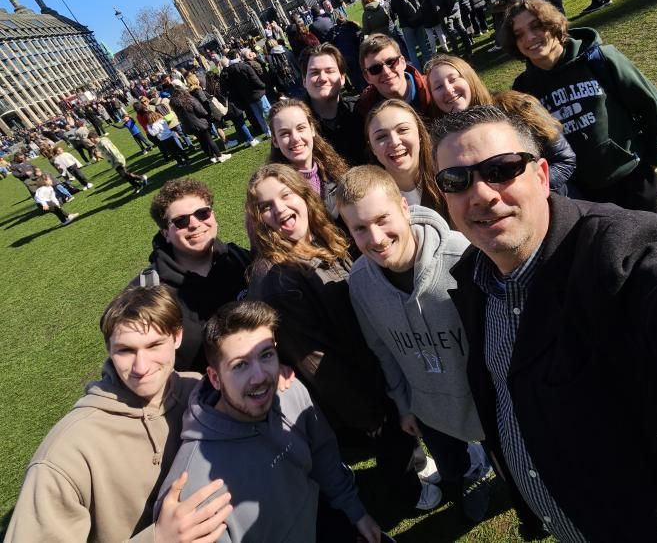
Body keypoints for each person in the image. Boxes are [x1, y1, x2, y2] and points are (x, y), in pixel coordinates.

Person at [430, 104, 657, 543]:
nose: (481, 194)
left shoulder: (619, 251)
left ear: (542, 175)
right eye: (457, 180)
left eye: (502, 169)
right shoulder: (474, 277)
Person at [245, 164, 441, 512]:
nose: (279, 211)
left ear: (304, 195)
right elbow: (315, 359)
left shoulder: (317, 238)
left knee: (402, 430)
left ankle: (416, 461)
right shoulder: (277, 278)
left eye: (285, 195)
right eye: (265, 206)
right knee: (389, 438)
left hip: (373, 360)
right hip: (355, 386)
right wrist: (368, 411)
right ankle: (409, 492)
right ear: (257, 218)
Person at [6, 285, 232, 542]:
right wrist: (157, 539)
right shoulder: (65, 455)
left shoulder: (197, 390)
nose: (141, 367)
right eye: (126, 350)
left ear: (177, 337)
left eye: (154, 345)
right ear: (110, 350)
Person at [155, 300, 383, 543]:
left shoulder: (290, 391)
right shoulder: (194, 487)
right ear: (215, 378)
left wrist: (354, 511)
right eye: (240, 365)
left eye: (266, 355)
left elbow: (322, 453)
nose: (260, 376)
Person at [336, 166, 491, 522]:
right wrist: (405, 404)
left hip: (481, 399)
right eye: (359, 228)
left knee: (511, 466)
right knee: (453, 468)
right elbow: (382, 349)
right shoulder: (360, 283)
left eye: (382, 219)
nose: (375, 238)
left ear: (405, 209)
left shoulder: (462, 257)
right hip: (427, 406)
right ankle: (469, 476)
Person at [505, 0, 657, 212]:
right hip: (583, 194)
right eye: (519, 35)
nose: (529, 38)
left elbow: (649, 102)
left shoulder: (598, 58)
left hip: (632, 175)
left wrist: (653, 158)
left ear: (553, 24)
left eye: (536, 26)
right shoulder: (524, 89)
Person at [130, 178, 252, 372]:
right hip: (207, 398)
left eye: (202, 213)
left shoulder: (239, 258)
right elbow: (128, 364)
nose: (195, 224)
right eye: (181, 221)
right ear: (166, 234)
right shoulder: (146, 292)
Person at [425, 54, 576, 194]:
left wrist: (530, 192)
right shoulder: (444, 143)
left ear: (469, 78)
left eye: (453, 79)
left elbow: (564, 159)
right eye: (438, 87)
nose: (448, 90)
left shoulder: (518, 107)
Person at [365, 99, 448, 217]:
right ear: (372, 148)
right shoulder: (370, 199)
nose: (394, 142)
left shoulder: (448, 175)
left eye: (403, 130)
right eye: (381, 136)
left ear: (419, 134)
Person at [267, 99, 349, 216]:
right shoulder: (273, 190)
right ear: (275, 141)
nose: (295, 138)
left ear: (312, 129)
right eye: (285, 133)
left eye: (300, 128)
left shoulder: (334, 170)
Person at [300, 43, 367, 165]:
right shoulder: (296, 125)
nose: (323, 78)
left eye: (329, 71)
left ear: (342, 78)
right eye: (314, 72)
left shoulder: (361, 111)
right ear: (304, 81)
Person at [357, 34, 432, 119]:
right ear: (367, 77)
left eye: (391, 62)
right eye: (375, 69)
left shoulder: (433, 88)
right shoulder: (365, 111)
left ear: (403, 62)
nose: (386, 72)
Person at [169, 86, 231, 164]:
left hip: (189, 126)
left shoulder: (174, 105)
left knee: (202, 142)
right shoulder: (190, 100)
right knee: (209, 140)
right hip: (200, 123)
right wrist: (206, 115)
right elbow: (201, 111)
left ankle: (211, 157)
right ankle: (220, 156)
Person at [389, 0, 431, 70]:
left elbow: (393, 13)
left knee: (412, 51)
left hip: (406, 25)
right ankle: (430, 66)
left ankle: (418, 71)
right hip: (418, 22)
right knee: (423, 45)